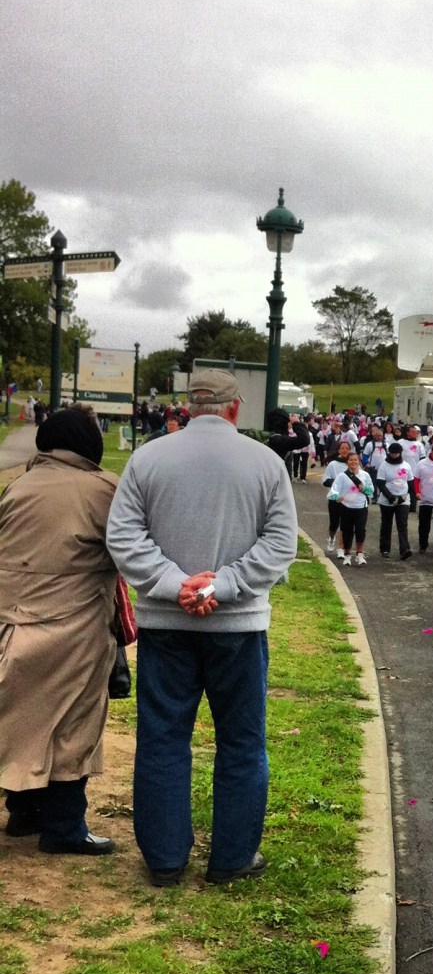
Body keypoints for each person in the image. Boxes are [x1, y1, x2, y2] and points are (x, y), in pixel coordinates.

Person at [106, 368, 298, 886]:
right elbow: (281, 544)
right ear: (235, 409)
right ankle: (232, 856)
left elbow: (123, 538)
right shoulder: (265, 463)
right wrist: (223, 586)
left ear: (188, 407)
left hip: (166, 622)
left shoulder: (147, 459)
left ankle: (165, 858)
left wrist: (175, 584)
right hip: (237, 624)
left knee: (163, 738)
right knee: (240, 741)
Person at [0, 407, 121, 855]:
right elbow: (130, 549)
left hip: (9, 622)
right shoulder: (102, 490)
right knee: (73, 726)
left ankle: (23, 811)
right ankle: (65, 826)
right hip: (73, 624)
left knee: (20, 718)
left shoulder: (19, 486)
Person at [329, 451, 374, 566]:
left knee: (360, 530)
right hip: (346, 507)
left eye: (355, 460)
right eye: (350, 460)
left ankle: (359, 553)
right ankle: (347, 554)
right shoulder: (342, 476)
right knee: (347, 531)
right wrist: (337, 497)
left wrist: (364, 489)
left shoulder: (365, 475)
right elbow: (334, 490)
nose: (353, 462)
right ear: (347, 462)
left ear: (359, 461)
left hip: (361, 507)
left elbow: (371, 491)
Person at [376, 442, 414, 560]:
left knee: (402, 524)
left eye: (396, 453)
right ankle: (385, 548)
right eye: (392, 453)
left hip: (403, 498)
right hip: (388, 499)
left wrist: (412, 499)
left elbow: (410, 482)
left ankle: (404, 549)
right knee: (386, 524)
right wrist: (390, 497)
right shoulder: (384, 465)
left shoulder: (406, 465)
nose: (394, 455)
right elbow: (380, 483)